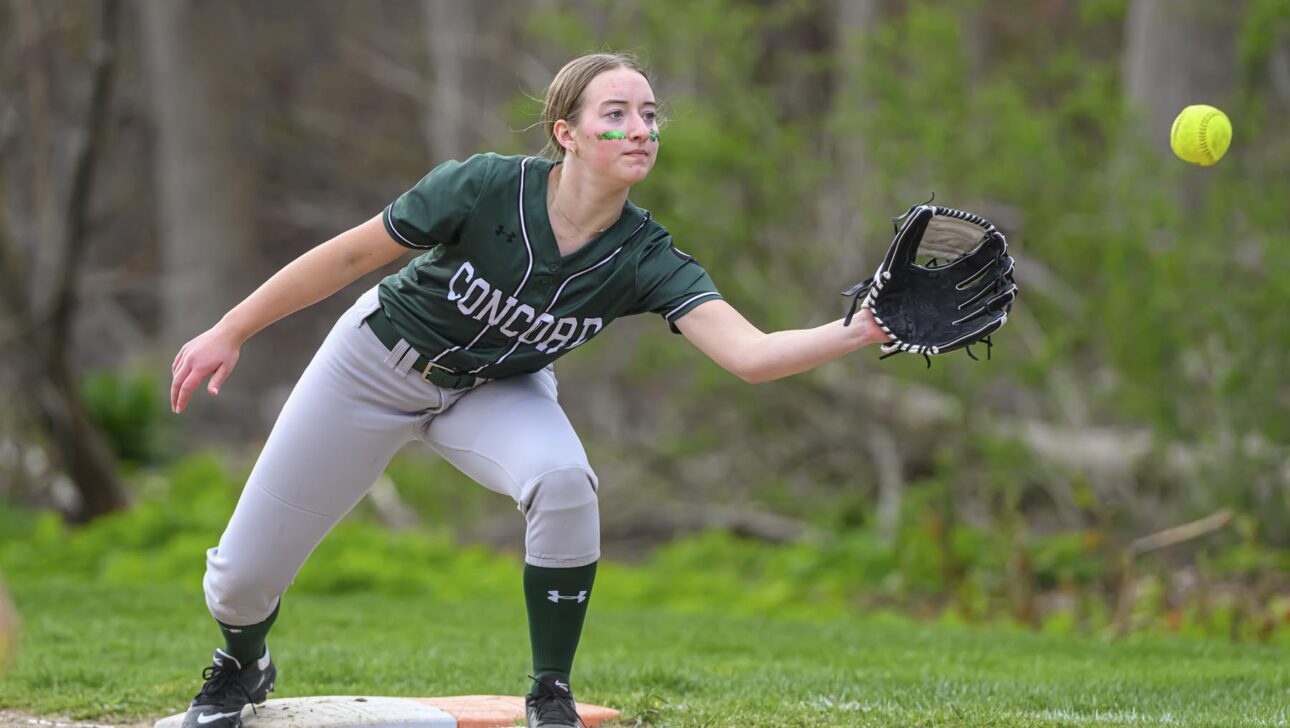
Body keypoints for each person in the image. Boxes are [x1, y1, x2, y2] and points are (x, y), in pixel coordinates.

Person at [168, 52, 890, 728]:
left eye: (649, 114)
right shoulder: (483, 186)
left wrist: (855, 332)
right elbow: (353, 254)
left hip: (496, 389)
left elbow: (751, 354)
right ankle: (242, 660)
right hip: (376, 364)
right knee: (237, 582)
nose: (639, 129)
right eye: (615, 113)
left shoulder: (645, 256)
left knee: (564, 479)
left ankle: (550, 692)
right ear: (565, 133)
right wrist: (232, 328)